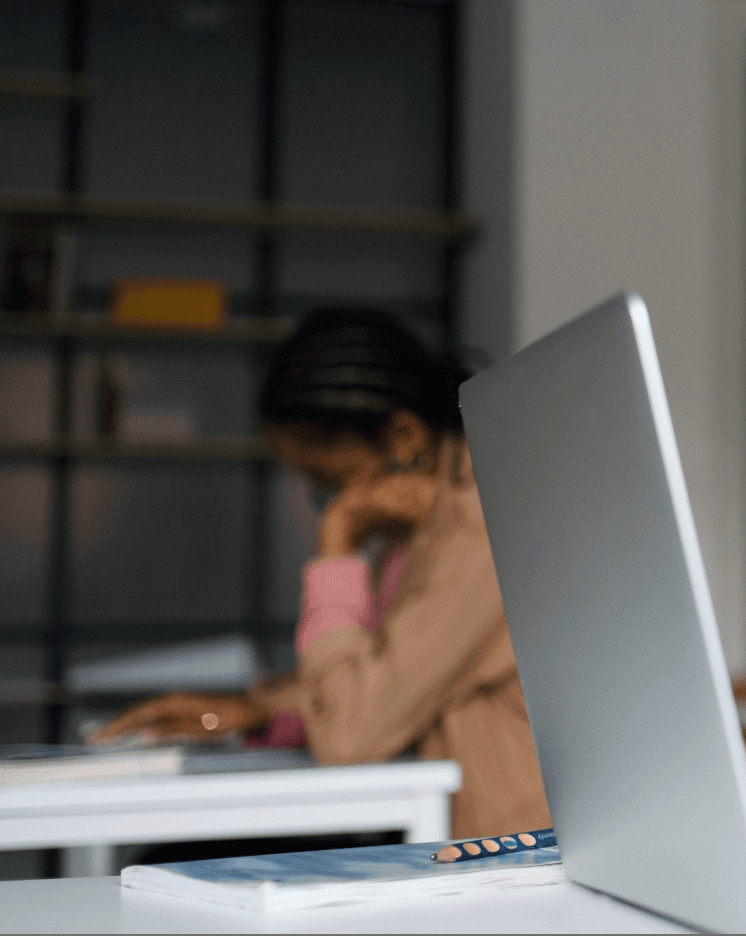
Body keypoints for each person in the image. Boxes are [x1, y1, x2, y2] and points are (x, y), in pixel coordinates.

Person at [95, 310, 549, 838]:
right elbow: (386, 678)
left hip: (508, 860)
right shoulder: (426, 524)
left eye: (329, 483)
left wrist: (338, 539)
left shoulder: (479, 527)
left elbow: (353, 733)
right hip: (453, 835)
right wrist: (255, 711)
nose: (330, 504)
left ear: (404, 436)